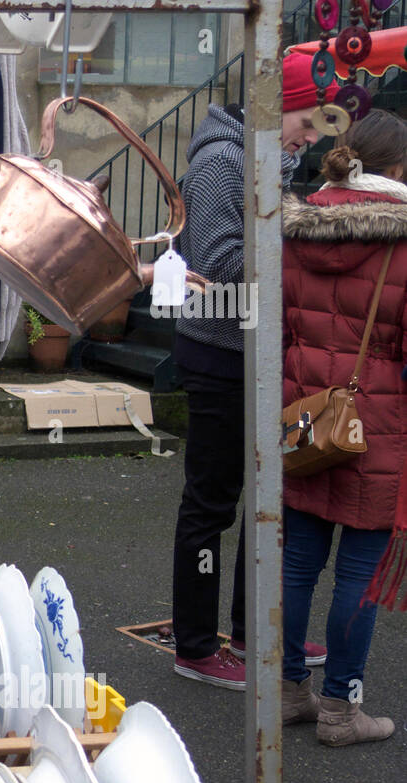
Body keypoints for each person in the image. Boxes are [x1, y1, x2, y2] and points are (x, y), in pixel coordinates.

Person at [171, 52, 330, 688]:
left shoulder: (270, 163)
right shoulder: (221, 162)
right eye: (306, 123)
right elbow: (215, 268)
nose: (311, 140)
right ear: (275, 106)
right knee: (211, 503)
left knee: (267, 499)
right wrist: (298, 234)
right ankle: (195, 644)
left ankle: (250, 630)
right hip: (218, 354)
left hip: (258, 355)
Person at [277, 111, 407, 745]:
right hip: (378, 427)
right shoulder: (401, 241)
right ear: (399, 170)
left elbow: (274, 331)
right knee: (359, 571)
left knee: (297, 563)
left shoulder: (294, 229)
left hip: (304, 417)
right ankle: (339, 711)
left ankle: (286, 692)